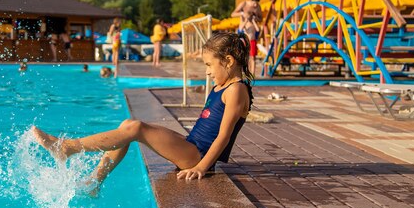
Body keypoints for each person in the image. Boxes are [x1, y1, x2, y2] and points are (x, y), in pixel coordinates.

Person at [32, 32, 254, 194]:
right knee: (129, 124)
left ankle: (68, 147)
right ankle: (94, 182)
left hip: (196, 155)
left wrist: (201, 167)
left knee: (136, 129)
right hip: (191, 144)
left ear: (228, 61)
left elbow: (224, 136)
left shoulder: (236, 90)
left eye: (209, 65)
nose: (207, 72)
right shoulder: (223, 86)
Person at [232, 0, 262, 75]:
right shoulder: (244, 4)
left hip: (252, 34)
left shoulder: (258, 7)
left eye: (257, 4)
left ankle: (252, 73)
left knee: (252, 57)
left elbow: (261, 18)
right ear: (251, 1)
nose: (256, 5)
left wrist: (255, 19)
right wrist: (242, 13)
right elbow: (233, 14)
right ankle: (241, 72)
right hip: (243, 31)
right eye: (254, 3)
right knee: (242, 55)